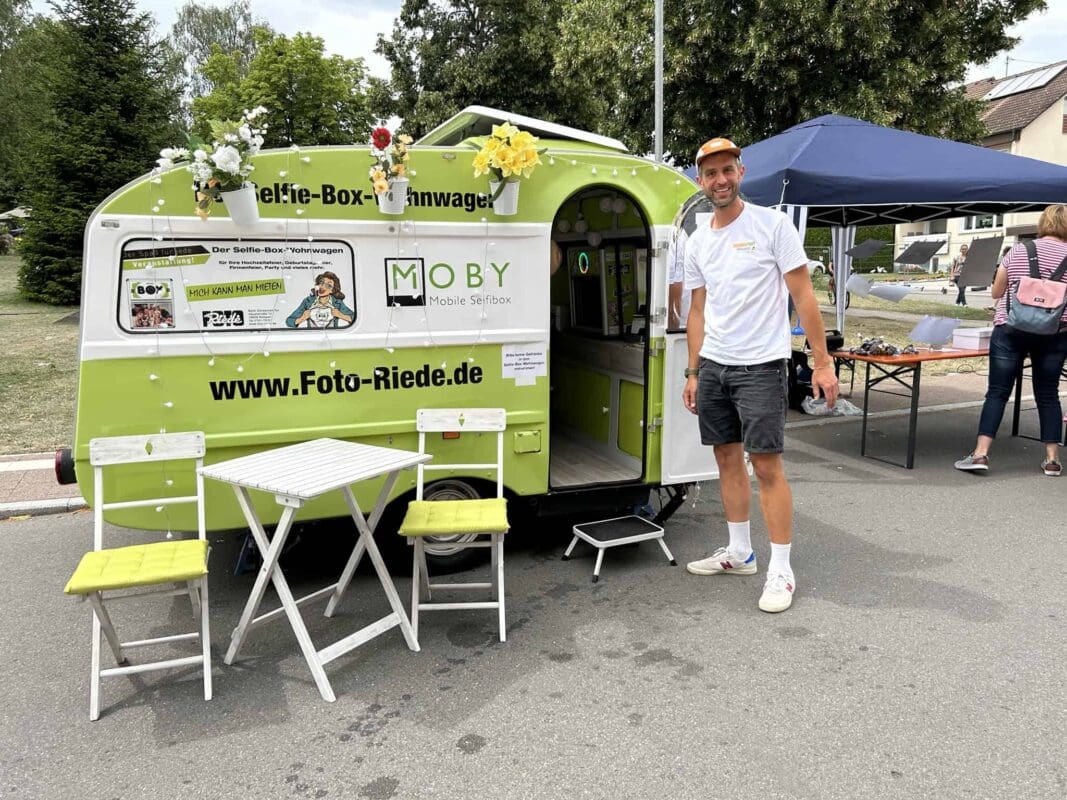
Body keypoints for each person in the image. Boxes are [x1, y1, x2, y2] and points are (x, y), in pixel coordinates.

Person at [681, 136, 839, 613]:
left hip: (762, 366)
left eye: (727, 170)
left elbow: (804, 296)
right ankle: (740, 552)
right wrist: (693, 371)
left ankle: (781, 569)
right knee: (726, 459)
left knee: (766, 467)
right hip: (715, 366)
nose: (720, 180)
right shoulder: (697, 240)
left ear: (741, 173)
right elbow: (697, 311)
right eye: (711, 173)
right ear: (700, 181)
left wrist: (822, 361)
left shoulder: (773, 225)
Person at [955, 205, 1067, 477]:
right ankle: (1052, 460)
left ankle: (981, 454)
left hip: (1010, 329)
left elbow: (996, 292)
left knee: (997, 392)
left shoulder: (1017, 251)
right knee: (1048, 394)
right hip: (1056, 333)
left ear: (1043, 223)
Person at [667, 192, 713, 328]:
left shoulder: (682, 235)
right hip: (695, 320)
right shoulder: (683, 237)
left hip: (689, 321)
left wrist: (672, 324)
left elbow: (674, 282)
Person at [286, 271, 354, 328]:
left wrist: (341, 315)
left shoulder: (337, 303)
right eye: (321, 282)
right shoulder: (307, 301)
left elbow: (354, 318)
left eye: (328, 285)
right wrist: (302, 318)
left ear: (332, 290)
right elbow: (289, 321)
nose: (323, 286)